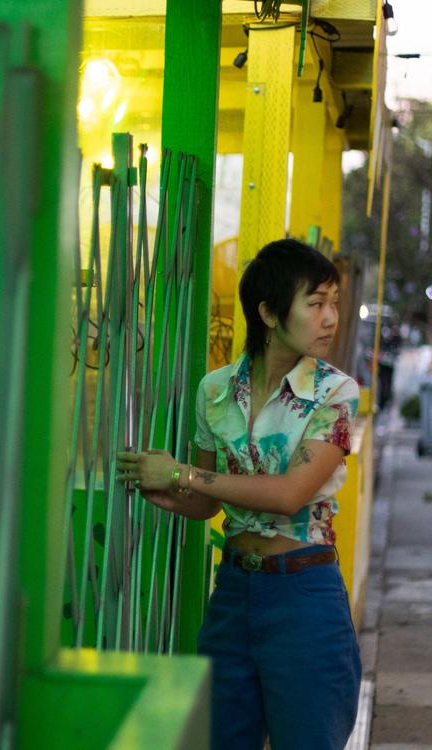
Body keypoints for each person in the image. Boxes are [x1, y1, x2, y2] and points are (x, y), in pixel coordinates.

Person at [116, 238, 361, 750]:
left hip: (304, 597)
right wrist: (156, 484)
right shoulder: (217, 391)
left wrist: (181, 475)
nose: (331, 318)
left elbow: (290, 494)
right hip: (231, 594)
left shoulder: (336, 393)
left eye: (333, 303)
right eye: (316, 304)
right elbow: (207, 501)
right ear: (269, 312)